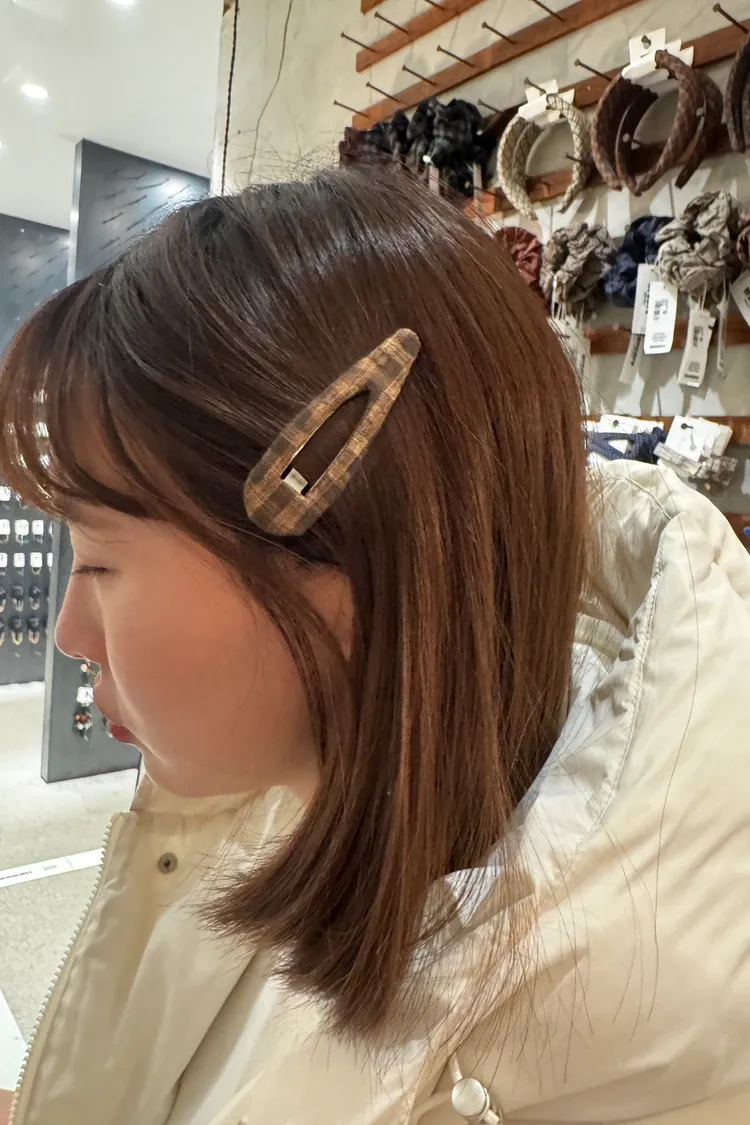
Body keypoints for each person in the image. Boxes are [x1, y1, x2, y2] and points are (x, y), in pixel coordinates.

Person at [0, 169, 748, 1125]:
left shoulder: (617, 1068)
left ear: (339, 547)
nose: (69, 632)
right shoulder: (298, 784)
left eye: (99, 561)